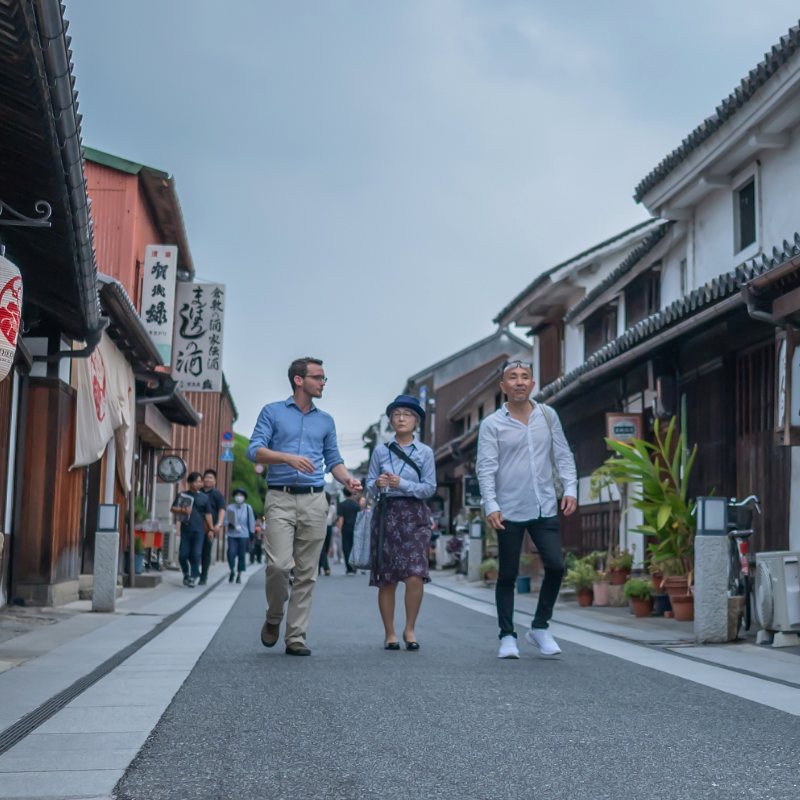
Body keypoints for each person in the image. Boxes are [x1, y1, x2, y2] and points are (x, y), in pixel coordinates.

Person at [248, 356, 362, 656]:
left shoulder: (326, 421)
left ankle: (295, 635)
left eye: (324, 378)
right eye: (318, 377)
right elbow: (254, 451)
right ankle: (274, 616)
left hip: (315, 498)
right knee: (278, 566)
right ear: (299, 380)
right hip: (280, 497)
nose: (323, 383)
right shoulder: (272, 412)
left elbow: (334, 460)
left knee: (307, 572)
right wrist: (286, 458)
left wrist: (348, 480)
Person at [476, 358, 578, 660]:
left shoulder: (548, 416)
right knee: (507, 573)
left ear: (532, 384)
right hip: (507, 509)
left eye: (524, 377)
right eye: (513, 377)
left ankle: (540, 627)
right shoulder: (491, 424)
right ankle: (507, 635)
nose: (519, 382)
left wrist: (570, 488)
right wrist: (490, 504)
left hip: (544, 503)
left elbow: (563, 454)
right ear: (503, 386)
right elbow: (486, 468)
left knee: (556, 566)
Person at [366, 395, 436, 651]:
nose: (402, 418)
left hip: (415, 515)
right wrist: (377, 484)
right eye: (397, 414)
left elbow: (430, 488)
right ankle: (390, 633)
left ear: (416, 421)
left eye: (407, 414)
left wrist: (402, 484)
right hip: (386, 515)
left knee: (416, 573)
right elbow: (369, 486)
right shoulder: (380, 451)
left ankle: (410, 628)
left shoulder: (425, 452)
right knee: (387, 578)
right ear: (391, 420)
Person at [171, 472, 215, 588]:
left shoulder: (204, 498)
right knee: (183, 555)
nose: (199, 483)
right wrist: (182, 510)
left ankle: (193, 576)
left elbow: (208, 514)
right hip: (185, 529)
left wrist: (211, 530)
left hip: (199, 531)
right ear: (190, 482)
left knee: (196, 554)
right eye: (197, 481)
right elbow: (173, 508)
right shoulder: (182, 495)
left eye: (200, 481)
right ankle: (186, 573)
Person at [199, 469, 226, 586]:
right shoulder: (197, 492)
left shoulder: (217, 494)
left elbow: (222, 510)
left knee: (206, 551)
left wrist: (218, 524)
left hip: (210, 529)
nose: (208, 479)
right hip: (196, 526)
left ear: (215, 481)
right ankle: (194, 572)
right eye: (206, 477)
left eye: (211, 478)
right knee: (194, 552)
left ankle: (203, 576)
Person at [226, 488, 256, 583]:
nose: (239, 497)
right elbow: (226, 521)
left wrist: (252, 534)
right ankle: (232, 571)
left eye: (241, 495)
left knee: (241, 555)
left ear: (244, 497)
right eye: (237, 495)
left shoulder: (248, 508)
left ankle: (239, 574)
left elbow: (251, 522)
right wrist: (231, 523)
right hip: (232, 534)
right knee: (231, 553)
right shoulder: (230, 507)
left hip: (244, 535)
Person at [336, 488, 361, 575]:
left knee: (346, 548)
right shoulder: (356, 505)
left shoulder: (341, 505)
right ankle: (354, 567)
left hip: (345, 528)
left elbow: (341, 518)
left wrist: (339, 530)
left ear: (344, 494)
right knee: (354, 547)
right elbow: (359, 518)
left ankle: (349, 568)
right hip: (355, 528)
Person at [318, 493, 336, 576]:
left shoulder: (319, 505)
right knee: (325, 547)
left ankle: (320, 568)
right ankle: (326, 567)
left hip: (320, 526)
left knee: (321, 547)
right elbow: (334, 518)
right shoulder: (332, 507)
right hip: (329, 527)